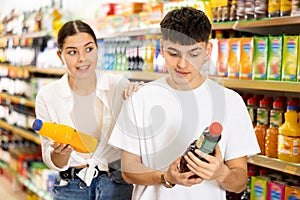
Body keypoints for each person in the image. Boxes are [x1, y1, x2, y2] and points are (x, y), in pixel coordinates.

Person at [109, 7, 261, 200]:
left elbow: (239, 183)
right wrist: (166, 177)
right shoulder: (141, 98)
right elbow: (128, 170)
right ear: (162, 49)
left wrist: (221, 173)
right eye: (174, 54)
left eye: (193, 54)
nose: (182, 64)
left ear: (208, 51)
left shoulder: (231, 102)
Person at [35, 20, 139, 200]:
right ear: (60, 56)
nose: (82, 58)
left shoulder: (117, 85)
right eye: (72, 52)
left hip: (117, 185)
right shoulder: (47, 96)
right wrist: (60, 154)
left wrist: (139, 95)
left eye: (89, 49)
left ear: (97, 49)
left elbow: (138, 134)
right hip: (72, 188)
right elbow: (52, 160)